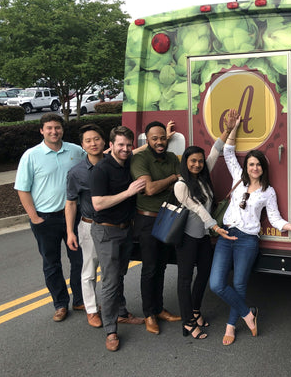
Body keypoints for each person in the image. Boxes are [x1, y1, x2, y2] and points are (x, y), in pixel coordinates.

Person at [209, 109, 291, 346]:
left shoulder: (268, 192)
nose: (254, 168)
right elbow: (227, 151)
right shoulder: (238, 176)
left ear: (263, 169)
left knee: (238, 284)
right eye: (251, 164)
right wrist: (234, 127)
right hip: (226, 236)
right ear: (246, 166)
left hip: (247, 240)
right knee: (216, 284)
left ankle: (230, 326)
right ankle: (248, 314)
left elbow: (276, 219)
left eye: (258, 165)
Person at [14, 113, 85, 322]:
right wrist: (34, 217)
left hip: (75, 216)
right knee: (51, 263)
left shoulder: (75, 151)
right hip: (46, 219)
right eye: (49, 128)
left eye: (57, 128)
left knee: (79, 260)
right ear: (42, 131)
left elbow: (99, 155)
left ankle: (80, 300)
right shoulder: (31, 155)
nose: (54, 132)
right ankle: (60, 303)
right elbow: (22, 189)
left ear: (62, 129)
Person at [173, 113, 238, 340]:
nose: (198, 164)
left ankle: (195, 311)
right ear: (185, 162)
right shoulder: (180, 185)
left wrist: (228, 130)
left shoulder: (203, 175)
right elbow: (198, 208)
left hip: (202, 237)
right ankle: (188, 323)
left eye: (199, 161)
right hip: (188, 238)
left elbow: (215, 151)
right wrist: (215, 227)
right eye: (193, 161)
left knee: (203, 275)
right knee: (184, 279)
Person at [90, 126, 146, 352]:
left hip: (125, 230)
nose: (125, 149)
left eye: (128, 145)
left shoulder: (128, 159)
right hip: (106, 231)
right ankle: (111, 330)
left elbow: (139, 150)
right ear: (110, 145)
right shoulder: (101, 170)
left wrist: (167, 137)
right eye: (120, 145)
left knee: (120, 273)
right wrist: (128, 192)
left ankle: (121, 312)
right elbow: (98, 203)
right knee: (111, 281)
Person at [130, 120, 182, 335]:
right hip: (147, 220)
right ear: (147, 140)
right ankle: (149, 314)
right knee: (150, 268)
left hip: (168, 218)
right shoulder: (140, 159)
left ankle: (159, 309)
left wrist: (174, 180)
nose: (159, 142)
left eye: (162, 138)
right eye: (155, 138)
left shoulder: (171, 157)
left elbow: (183, 183)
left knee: (161, 266)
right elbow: (149, 189)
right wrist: (172, 178)